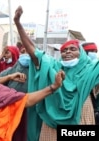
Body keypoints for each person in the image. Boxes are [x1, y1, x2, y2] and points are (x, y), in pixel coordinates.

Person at [14, 6, 99, 141]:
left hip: (81, 119)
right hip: (52, 125)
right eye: (64, 50)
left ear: (81, 53)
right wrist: (18, 23)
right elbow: (34, 53)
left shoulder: (91, 70)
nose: (68, 52)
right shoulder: (53, 67)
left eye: (73, 49)